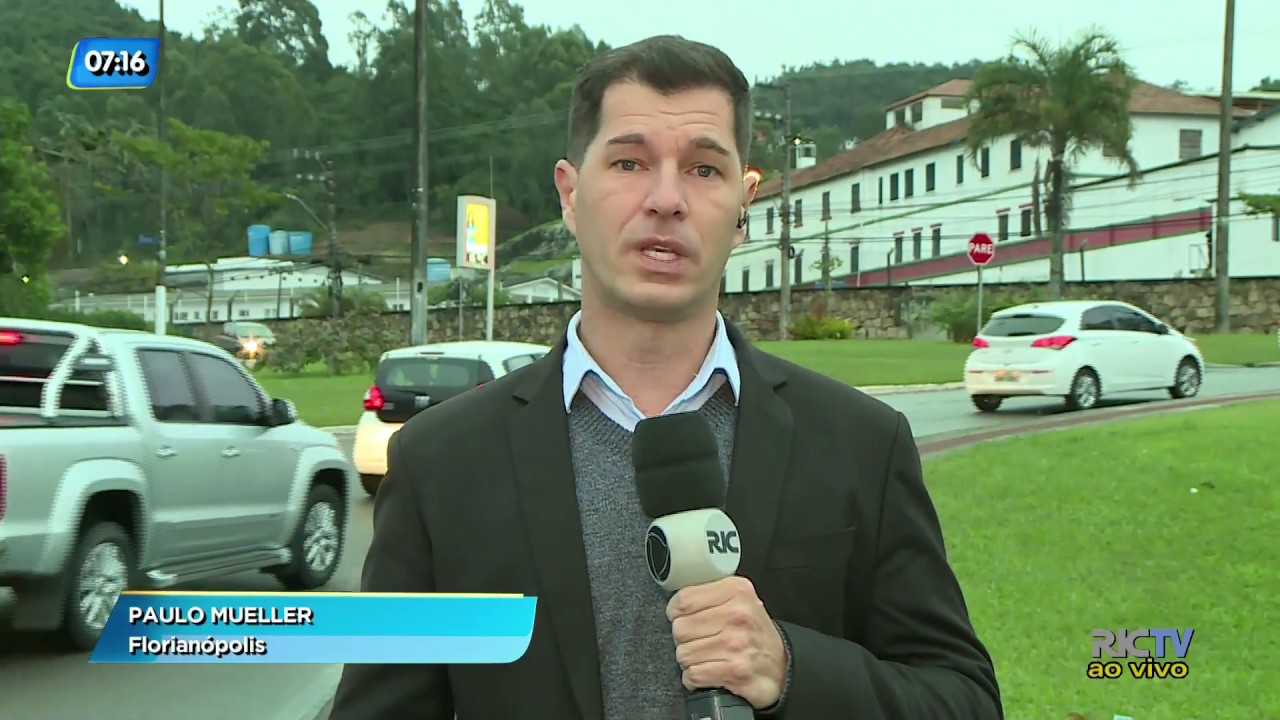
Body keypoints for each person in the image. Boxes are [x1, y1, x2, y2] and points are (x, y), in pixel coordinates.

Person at [330, 34, 1002, 720]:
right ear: (570, 194)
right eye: (629, 161)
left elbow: (965, 700)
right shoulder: (442, 463)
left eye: (704, 170)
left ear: (745, 206)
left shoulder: (862, 444)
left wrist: (793, 667)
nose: (666, 198)